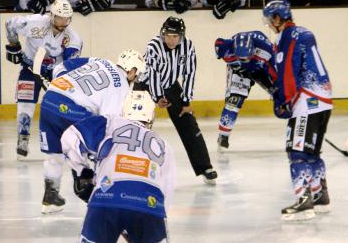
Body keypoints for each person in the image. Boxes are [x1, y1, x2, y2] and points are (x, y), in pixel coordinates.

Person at [60, 90, 175, 242]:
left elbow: (70, 138)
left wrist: (83, 171)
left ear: (124, 109)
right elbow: (167, 187)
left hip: (106, 198)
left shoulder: (109, 122)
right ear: (151, 115)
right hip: (148, 204)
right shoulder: (164, 145)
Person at [39, 50, 145, 214]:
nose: (136, 79)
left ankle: (51, 196)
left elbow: (62, 66)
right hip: (73, 110)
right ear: (131, 71)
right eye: (136, 74)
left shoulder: (101, 60)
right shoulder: (122, 88)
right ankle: (87, 187)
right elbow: (108, 122)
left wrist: (59, 82)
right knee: (93, 144)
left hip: (49, 100)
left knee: (54, 154)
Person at [262, 0, 333, 221]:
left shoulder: (287, 36)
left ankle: (304, 201)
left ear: (277, 18)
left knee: (297, 152)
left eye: (269, 20)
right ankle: (320, 196)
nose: (269, 25)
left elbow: (288, 73)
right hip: (324, 100)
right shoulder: (302, 32)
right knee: (311, 152)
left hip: (306, 101)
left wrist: (283, 100)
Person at [134, 16, 218, 185]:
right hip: (146, 85)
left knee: (188, 122)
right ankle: (133, 167)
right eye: (168, 35)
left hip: (171, 85)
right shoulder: (153, 46)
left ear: (181, 36)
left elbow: (190, 73)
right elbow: (153, 73)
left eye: (176, 36)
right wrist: (158, 97)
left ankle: (204, 167)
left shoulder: (187, 46)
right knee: (138, 126)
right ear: (162, 34)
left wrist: (186, 102)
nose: (171, 40)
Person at [5, 0, 83, 160]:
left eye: (66, 18)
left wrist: (59, 81)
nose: (63, 22)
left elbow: (69, 66)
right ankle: (23, 137)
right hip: (29, 68)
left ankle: (65, 140)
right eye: (59, 17)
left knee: (60, 108)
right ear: (52, 15)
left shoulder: (74, 39)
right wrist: (14, 45)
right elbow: (10, 23)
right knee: (25, 105)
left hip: (54, 74)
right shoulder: (35, 22)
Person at [214, 31, 276, 152]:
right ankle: (223, 135)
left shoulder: (267, 50)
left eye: (247, 57)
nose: (244, 60)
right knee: (234, 100)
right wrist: (236, 66)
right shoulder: (225, 46)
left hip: (261, 68)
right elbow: (218, 43)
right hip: (239, 71)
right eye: (240, 58)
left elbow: (277, 69)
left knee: (281, 96)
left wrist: (275, 87)